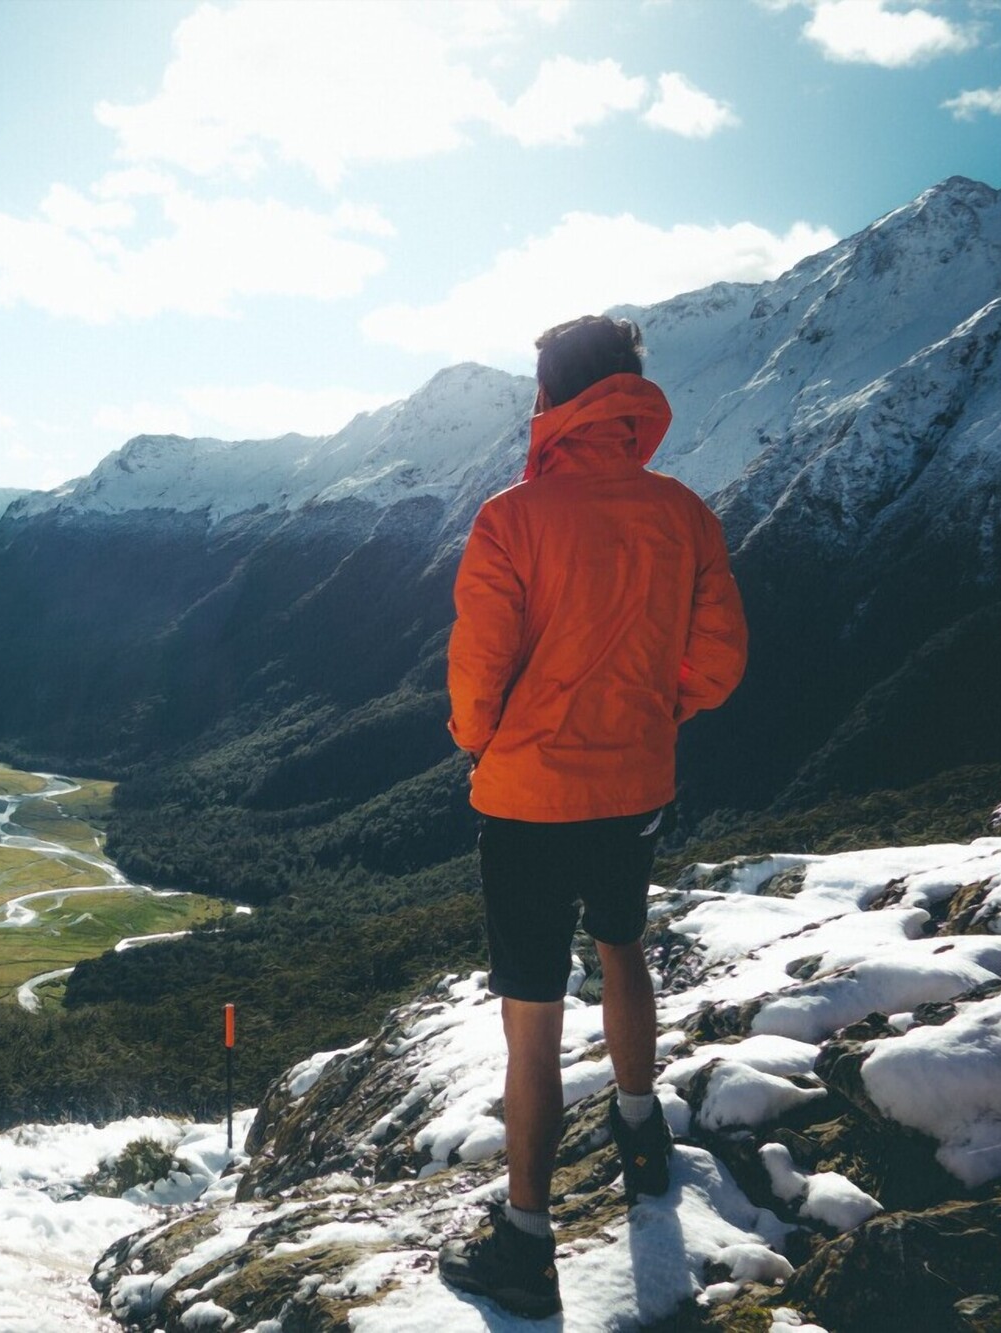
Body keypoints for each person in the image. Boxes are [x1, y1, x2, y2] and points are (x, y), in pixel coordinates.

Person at [437, 315, 749, 1318]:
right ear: (626, 397)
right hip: (635, 788)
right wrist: (662, 708)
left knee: (530, 1026)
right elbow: (720, 657)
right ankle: (636, 1122)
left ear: (551, 399)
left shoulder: (510, 518)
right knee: (623, 947)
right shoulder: (683, 515)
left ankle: (524, 1247)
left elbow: (476, 679)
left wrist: (479, 742)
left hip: (527, 803)